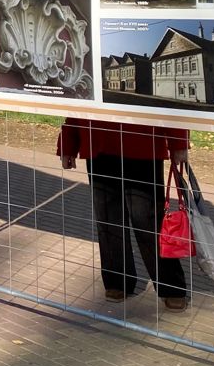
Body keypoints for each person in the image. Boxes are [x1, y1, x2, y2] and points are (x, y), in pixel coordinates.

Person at [58, 118, 189, 312]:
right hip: (98, 140)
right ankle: (117, 281)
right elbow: (78, 100)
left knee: (148, 219)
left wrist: (178, 141)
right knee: (107, 218)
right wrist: (69, 142)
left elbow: (167, 97)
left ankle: (171, 287)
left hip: (143, 140)